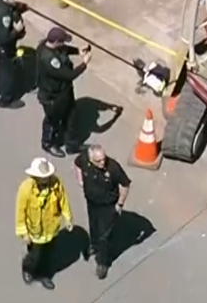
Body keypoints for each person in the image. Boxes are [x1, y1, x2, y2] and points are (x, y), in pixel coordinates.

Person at [73, 144, 131, 279]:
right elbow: (77, 163)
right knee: (93, 226)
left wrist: (120, 203)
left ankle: (103, 262)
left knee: (104, 236)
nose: (102, 162)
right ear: (91, 159)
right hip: (92, 203)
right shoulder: (84, 160)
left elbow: (125, 185)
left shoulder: (113, 168)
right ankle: (94, 245)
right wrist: (80, 179)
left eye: (103, 159)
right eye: (98, 161)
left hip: (108, 207)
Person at [16, 156, 73, 290]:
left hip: (51, 229)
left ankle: (44, 275)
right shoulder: (26, 189)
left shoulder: (56, 183)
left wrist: (68, 218)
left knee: (48, 255)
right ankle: (28, 270)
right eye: (43, 177)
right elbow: (20, 212)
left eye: (47, 176)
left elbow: (63, 200)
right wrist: (24, 233)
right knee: (35, 256)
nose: (46, 179)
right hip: (35, 231)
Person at [37, 27, 90, 158]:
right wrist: (84, 64)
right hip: (53, 97)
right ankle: (48, 143)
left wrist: (78, 51)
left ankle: (72, 145)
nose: (64, 44)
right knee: (52, 121)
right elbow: (69, 75)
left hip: (64, 92)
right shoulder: (48, 58)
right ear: (55, 42)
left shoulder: (51, 45)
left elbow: (64, 49)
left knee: (71, 117)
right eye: (62, 41)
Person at [0, 0, 28, 109]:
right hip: (4, 46)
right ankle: (5, 100)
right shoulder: (3, 15)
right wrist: (16, 31)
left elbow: (11, 8)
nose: (15, 1)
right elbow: (4, 38)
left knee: (1, 64)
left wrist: (18, 8)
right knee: (8, 73)